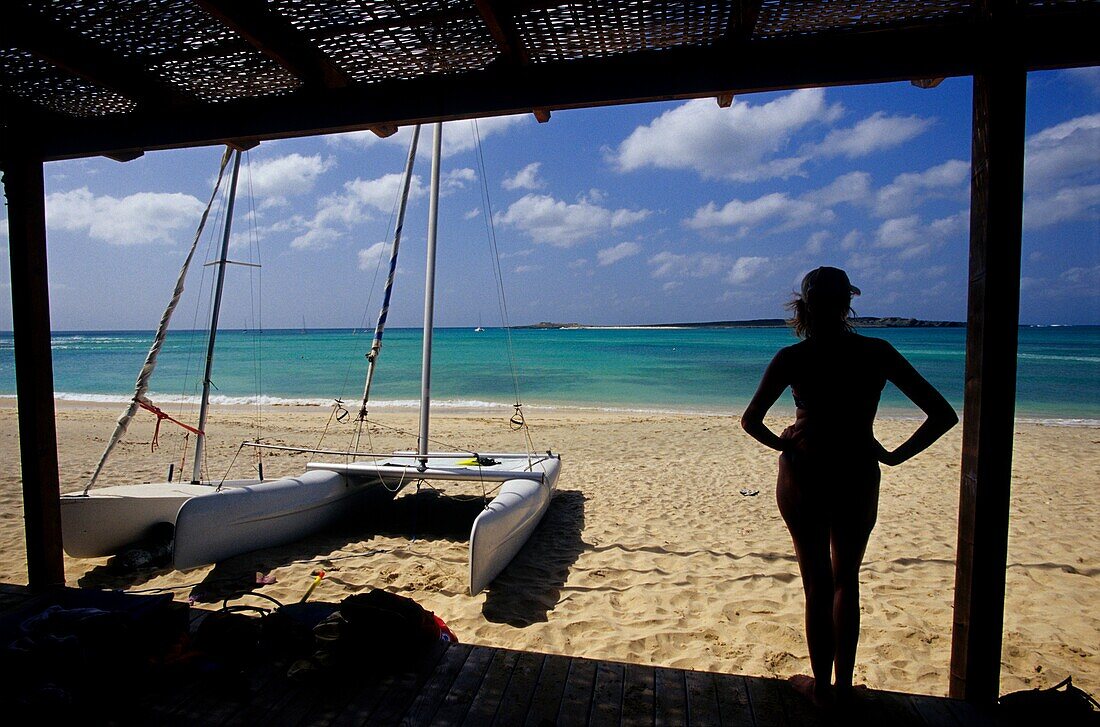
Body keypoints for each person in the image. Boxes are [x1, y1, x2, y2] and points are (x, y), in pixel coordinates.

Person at [740, 266, 958, 708]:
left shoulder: (792, 358)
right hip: (857, 469)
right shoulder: (876, 351)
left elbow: (751, 421)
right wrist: (894, 455)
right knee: (846, 582)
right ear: (847, 304)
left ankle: (820, 689)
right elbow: (942, 414)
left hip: (804, 470)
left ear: (803, 306)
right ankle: (842, 689)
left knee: (816, 584)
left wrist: (784, 441)